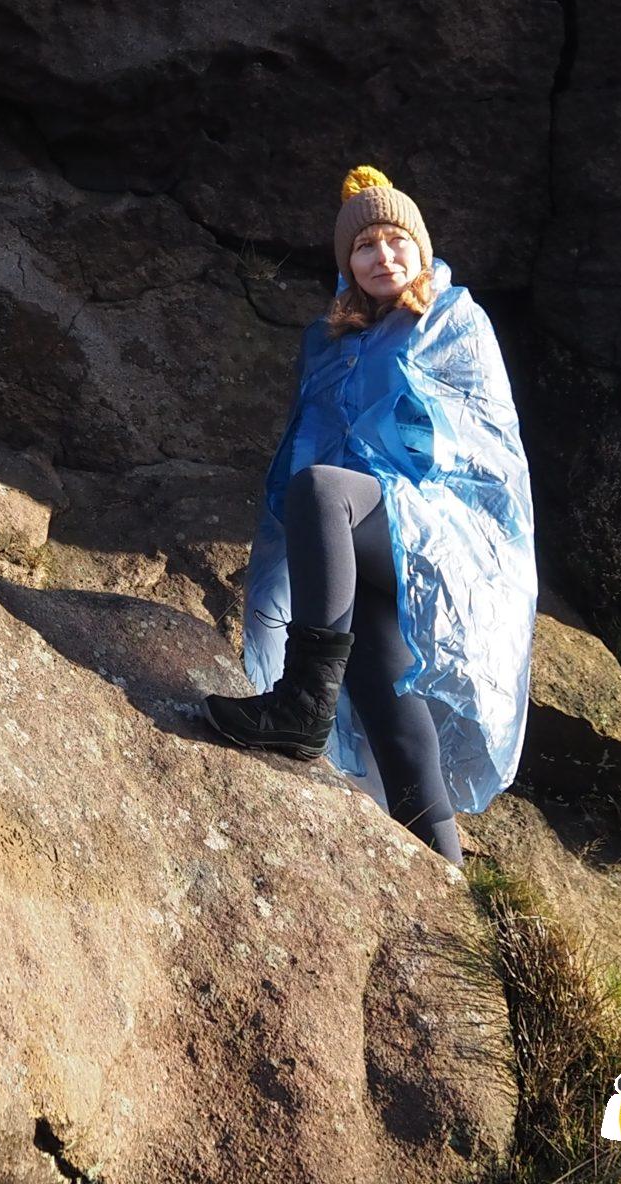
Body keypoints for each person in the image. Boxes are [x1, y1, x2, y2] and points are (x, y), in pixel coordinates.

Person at [204, 165, 537, 864]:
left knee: (323, 490)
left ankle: (300, 706)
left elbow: (474, 447)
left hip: (445, 527)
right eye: (364, 247)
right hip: (369, 535)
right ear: (346, 264)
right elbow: (308, 440)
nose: (382, 256)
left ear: (421, 248)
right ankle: (452, 889)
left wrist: (380, 455)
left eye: (396, 241)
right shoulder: (328, 342)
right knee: (391, 714)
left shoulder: (454, 321)